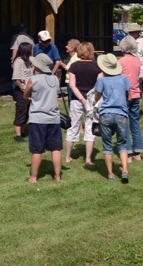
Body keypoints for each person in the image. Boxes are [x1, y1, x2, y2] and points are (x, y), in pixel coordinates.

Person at [24, 53, 62, 183]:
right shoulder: (55, 79)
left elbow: (26, 94)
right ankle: (57, 176)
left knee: (37, 150)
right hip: (54, 117)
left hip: (38, 118)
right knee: (55, 148)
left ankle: (33, 177)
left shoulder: (33, 79)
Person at [92, 53, 130, 184]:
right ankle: (124, 170)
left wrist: (94, 103)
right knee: (122, 144)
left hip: (106, 114)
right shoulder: (124, 79)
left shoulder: (102, 80)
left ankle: (110, 175)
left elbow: (97, 96)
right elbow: (128, 95)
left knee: (107, 145)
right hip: (121, 114)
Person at [66, 42, 101, 167]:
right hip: (92, 100)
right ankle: (88, 158)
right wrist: (90, 99)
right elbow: (99, 85)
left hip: (76, 99)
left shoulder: (74, 66)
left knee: (73, 126)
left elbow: (72, 85)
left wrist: (81, 98)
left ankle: (68, 156)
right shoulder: (97, 67)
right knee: (90, 128)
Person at [118, 36, 143, 161]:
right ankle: (138, 152)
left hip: (124, 94)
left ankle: (127, 153)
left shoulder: (121, 62)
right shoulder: (137, 60)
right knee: (135, 123)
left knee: (124, 124)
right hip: (136, 93)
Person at [11, 42, 33, 142]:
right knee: (21, 110)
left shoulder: (28, 61)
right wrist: (23, 89)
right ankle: (18, 134)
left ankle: (23, 130)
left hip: (28, 89)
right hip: (21, 90)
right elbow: (16, 79)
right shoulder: (19, 62)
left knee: (27, 111)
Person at [126, 23, 143, 93]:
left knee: (138, 92)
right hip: (129, 71)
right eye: (130, 32)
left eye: (133, 32)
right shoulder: (127, 42)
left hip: (140, 72)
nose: (131, 34)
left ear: (138, 32)